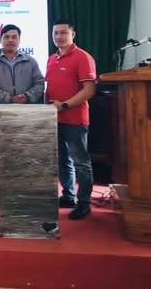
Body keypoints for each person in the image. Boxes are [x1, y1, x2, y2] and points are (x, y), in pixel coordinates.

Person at [45, 19, 96, 220]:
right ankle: (69, 195)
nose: (59, 36)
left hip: (75, 119)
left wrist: (64, 105)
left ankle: (84, 203)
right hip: (54, 119)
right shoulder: (52, 58)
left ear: (73, 35)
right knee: (62, 160)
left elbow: (89, 90)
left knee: (81, 163)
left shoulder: (83, 57)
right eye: (55, 33)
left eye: (63, 32)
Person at [0, 24, 45, 104]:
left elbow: (39, 84)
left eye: (14, 37)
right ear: (0, 40)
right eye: (6, 37)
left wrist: (26, 96)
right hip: (0, 109)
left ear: (19, 40)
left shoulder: (30, 61)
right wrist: (10, 98)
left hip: (26, 108)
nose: (10, 40)